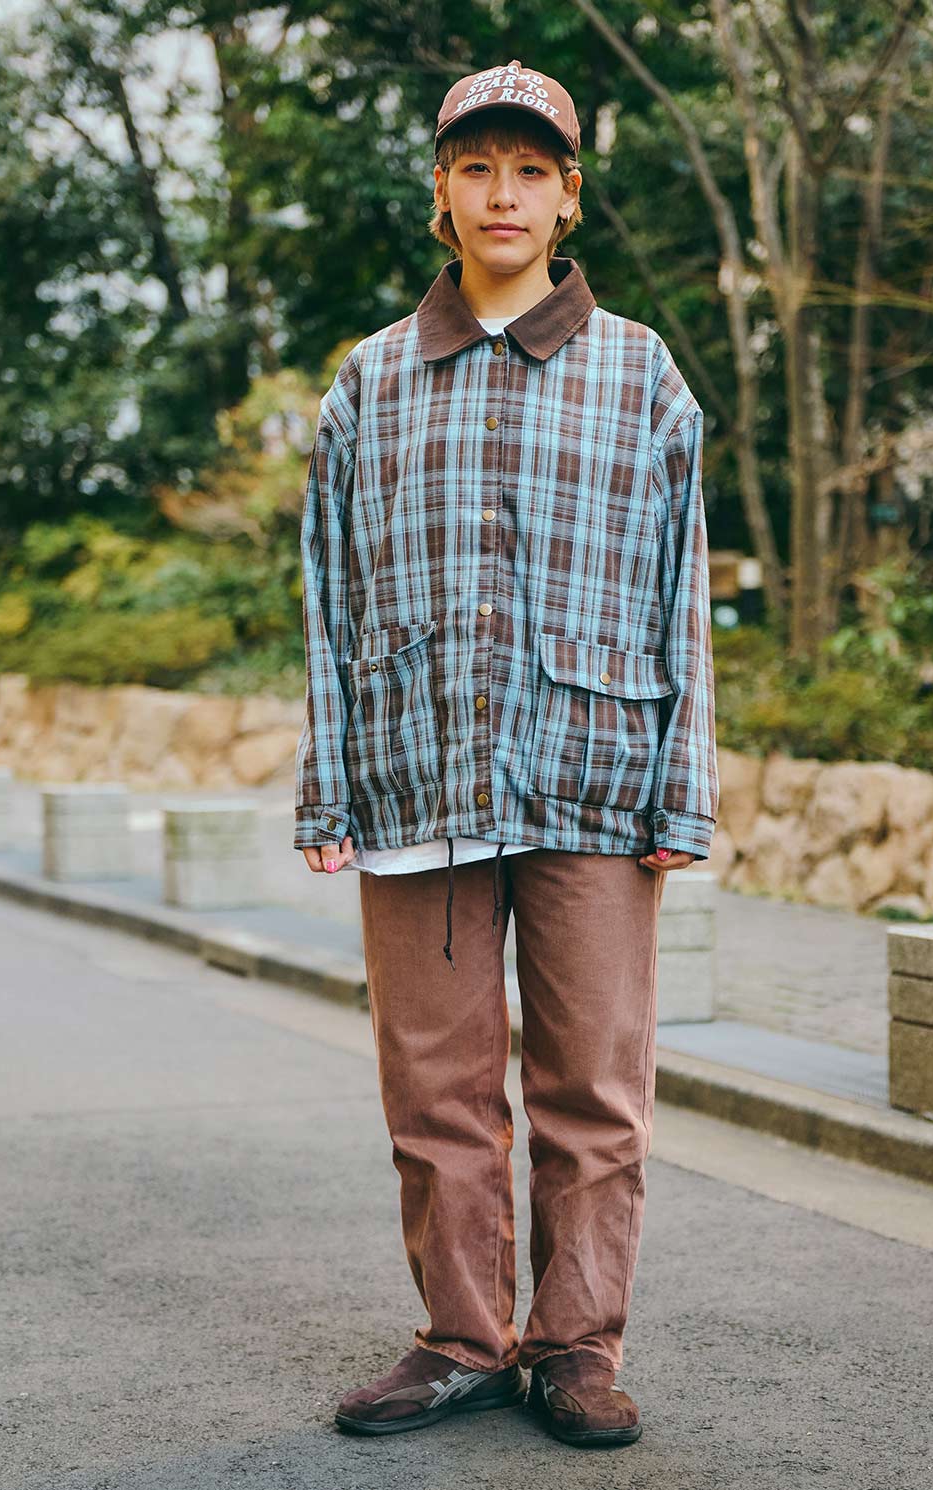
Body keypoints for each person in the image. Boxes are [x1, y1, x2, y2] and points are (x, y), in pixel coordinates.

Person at [294, 57, 718, 1448]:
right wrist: (329, 785)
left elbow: (680, 591)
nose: (503, 194)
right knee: (436, 1087)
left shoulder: (642, 374)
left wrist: (682, 791)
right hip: (415, 773)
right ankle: (463, 1339)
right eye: (476, 167)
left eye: (530, 170)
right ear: (442, 189)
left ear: (569, 195)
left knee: (593, 1084)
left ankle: (577, 1346)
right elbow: (329, 596)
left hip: (594, 774)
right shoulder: (371, 380)